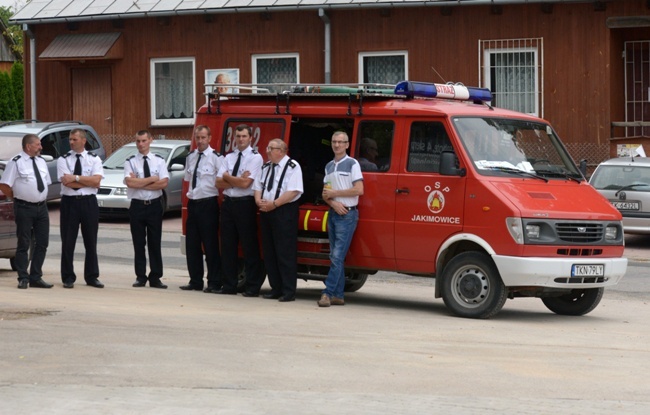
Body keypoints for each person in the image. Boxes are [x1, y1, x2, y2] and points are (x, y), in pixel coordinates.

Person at [216, 124, 264, 297]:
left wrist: (228, 176)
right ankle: (229, 285)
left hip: (245, 204)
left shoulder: (255, 158)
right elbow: (218, 183)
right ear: (234, 138)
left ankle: (252, 287)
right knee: (227, 246)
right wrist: (234, 179)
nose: (241, 139)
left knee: (249, 245)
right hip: (228, 203)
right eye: (238, 136)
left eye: (244, 136)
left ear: (250, 138)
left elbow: (246, 184)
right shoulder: (229, 157)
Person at [0, 134, 53, 289]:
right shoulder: (16, 162)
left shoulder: (41, 161)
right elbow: (4, 185)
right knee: (23, 242)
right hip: (24, 207)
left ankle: (36, 276)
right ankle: (23, 277)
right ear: (28, 146)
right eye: (38, 144)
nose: (41, 147)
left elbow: (46, 182)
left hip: (41, 207)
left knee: (42, 242)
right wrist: (17, 197)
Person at [253, 138, 303, 302]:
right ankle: (276, 288)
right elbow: (258, 187)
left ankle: (288, 291)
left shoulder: (293, 167)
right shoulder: (266, 167)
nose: (267, 151)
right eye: (268, 147)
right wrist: (259, 201)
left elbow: (294, 191)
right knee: (269, 252)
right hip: (266, 211)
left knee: (285, 252)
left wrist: (274, 204)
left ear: (281, 151)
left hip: (283, 211)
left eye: (271, 148)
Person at [318, 132, 364, 307]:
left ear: (347, 144)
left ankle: (327, 293)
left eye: (340, 142)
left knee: (337, 256)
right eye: (334, 142)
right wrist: (333, 203)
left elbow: (359, 190)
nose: (337, 145)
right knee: (334, 256)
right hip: (334, 212)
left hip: (347, 214)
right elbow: (325, 193)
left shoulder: (353, 163)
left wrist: (335, 196)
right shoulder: (329, 166)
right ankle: (338, 295)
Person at [57, 129, 104, 289]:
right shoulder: (63, 159)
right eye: (70, 139)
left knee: (91, 240)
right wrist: (87, 181)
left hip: (88, 202)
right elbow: (66, 183)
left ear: (83, 140)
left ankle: (92, 276)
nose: (71, 142)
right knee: (68, 241)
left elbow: (97, 182)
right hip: (70, 203)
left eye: (74, 139)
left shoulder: (94, 159)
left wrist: (76, 178)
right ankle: (68, 277)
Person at [124, 130, 169, 289]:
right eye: (138, 141)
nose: (141, 144)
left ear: (150, 140)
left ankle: (156, 277)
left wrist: (139, 181)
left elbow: (163, 184)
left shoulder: (159, 161)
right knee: (138, 243)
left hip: (154, 205)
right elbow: (130, 183)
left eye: (143, 140)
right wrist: (151, 179)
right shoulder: (130, 161)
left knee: (154, 242)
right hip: (137, 205)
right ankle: (140, 276)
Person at [181, 125, 223, 293]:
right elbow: (188, 180)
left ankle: (214, 281)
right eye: (197, 138)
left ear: (210, 138)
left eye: (203, 137)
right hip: (194, 203)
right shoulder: (190, 157)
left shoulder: (216, 158)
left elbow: (222, 181)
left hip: (208, 204)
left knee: (210, 245)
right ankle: (195, 280)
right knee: (192, 245)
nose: (200, 141)